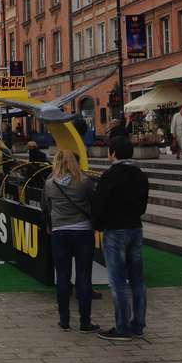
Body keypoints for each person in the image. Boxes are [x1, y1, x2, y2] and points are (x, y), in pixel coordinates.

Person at [92, 136, 149, 341]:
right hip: (135, 228)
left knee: (117, 280)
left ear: (113, 153)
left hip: (115, 230)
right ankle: (138, 324)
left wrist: (97, 225)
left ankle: (122, 327)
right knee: (137, 279)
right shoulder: (140, 175)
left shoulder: (110, 175)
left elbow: (100, 204)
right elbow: (143, 205)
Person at [41, 150, 100, 333]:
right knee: (83, 276)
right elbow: (94, 202)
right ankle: (85, 321)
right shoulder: (83, 182)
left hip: (59, 232)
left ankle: (64, 320)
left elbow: (45, 207)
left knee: (63, 276)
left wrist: (51, 226)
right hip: (83, 231)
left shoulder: (50, 184)